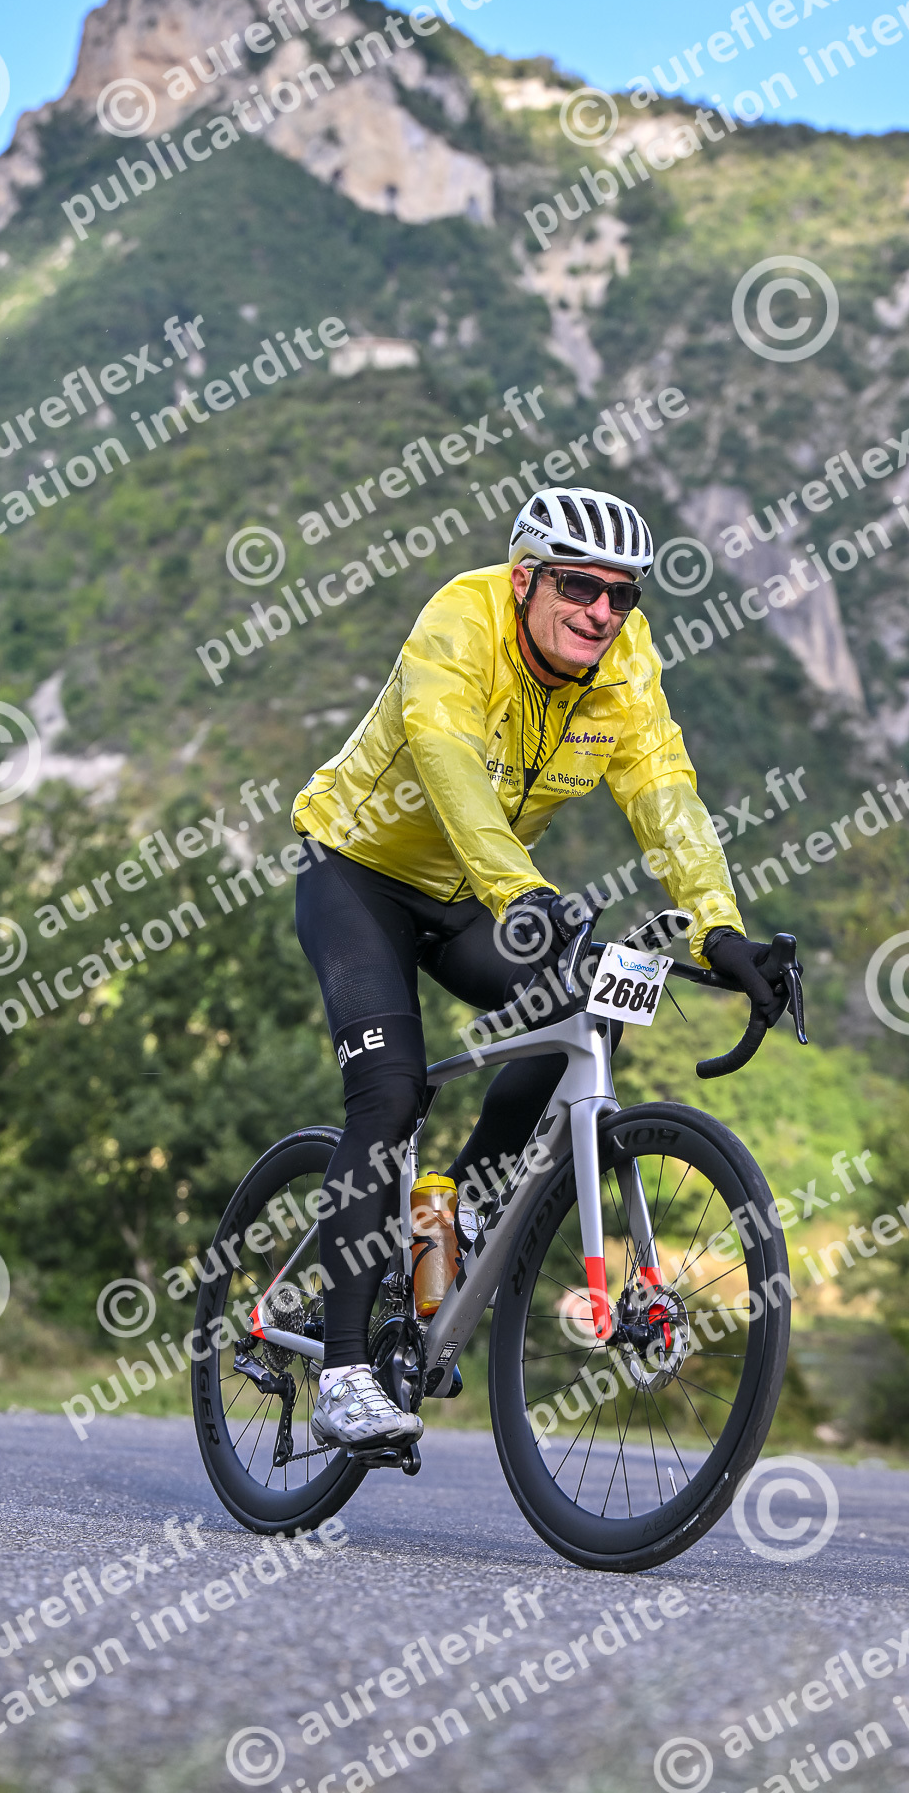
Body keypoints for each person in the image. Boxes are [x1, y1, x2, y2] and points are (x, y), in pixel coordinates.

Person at [289, 488, 786, 1449]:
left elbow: (664, 791)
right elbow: (447, 763)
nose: (602, 613)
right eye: (578, 587)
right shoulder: (461, 619)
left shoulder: (622, 663)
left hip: (479, 893)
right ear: (525, 580)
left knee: (588, 1009)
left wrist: (718, 932)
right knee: (389, 1097)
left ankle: (462, 1217)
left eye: (622, 595)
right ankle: (343, 1373)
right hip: (358, 872)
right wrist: (521, 893)